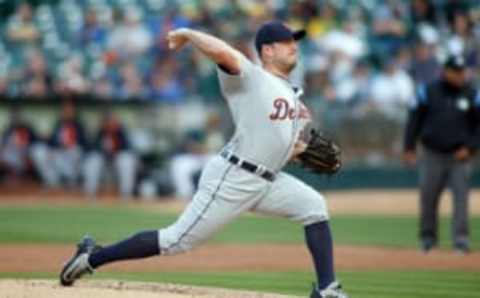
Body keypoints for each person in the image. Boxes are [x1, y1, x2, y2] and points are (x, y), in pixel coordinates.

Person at [59, 22, 349, 298]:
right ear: (267, 50)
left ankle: (327, 289)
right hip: (234, 176)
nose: (293, 46)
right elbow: (222, 52)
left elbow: (283, 144)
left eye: (294, 41)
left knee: (314, 206)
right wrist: (188, 33)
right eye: (285, 42)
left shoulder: (293, 97)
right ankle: (92, 257)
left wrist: (300, 151)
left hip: (269, 180)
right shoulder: (252, 78)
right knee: (176, 240)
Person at [403, 55, 480, 254]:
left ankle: (461, 241)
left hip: (459, 156)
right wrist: (409, 148)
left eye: (462, 71)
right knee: (428, 198)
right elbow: (414, 120)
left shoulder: (472, 94)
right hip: (432, 154)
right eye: (456, 71)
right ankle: (428, 240)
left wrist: (471, 147)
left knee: (461, 199)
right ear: (446, 71)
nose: (460, 75)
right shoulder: (427, 91)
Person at [83, 112, 138, 199]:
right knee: (93, 160)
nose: (111, 124)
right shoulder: (100, 133)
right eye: (109, 122)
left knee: (126, 159)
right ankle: (90, 194)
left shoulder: (121, 133)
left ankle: (126, 195)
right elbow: (92, 149)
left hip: (117, 165)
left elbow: (128, 149)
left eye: (113, 122)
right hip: (104, 165)